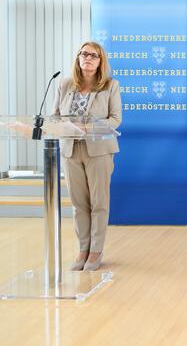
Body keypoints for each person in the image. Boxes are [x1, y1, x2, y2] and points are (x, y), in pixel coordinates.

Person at [52, 42, 122, 271]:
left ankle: (95, 251)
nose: (88, 58)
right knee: (78, 203)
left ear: (101, 61)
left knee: (98, 203)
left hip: (99, 150)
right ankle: (83, 249)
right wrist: (66, 126)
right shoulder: (64, 85)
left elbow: (115, 119)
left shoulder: (110, 86)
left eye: (94, 55)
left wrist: (88, 128)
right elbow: (54, 117)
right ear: (78, 58)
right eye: (84, 54)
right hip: (71, 150)